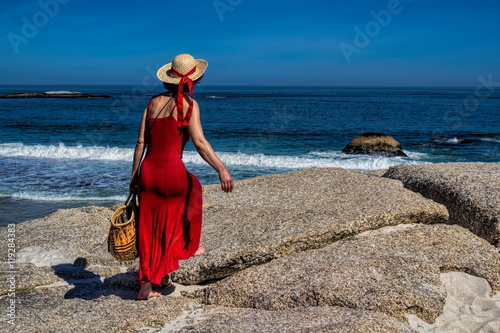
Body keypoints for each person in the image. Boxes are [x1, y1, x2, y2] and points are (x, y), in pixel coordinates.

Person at [129, 54, 233, 300]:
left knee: (148, 228)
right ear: (194, 79)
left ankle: (145, 287)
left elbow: (141, 142)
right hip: (172, 172)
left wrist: (134, 177)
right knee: (192, 193)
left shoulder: (151, 103)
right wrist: (221, 168)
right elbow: (199, 142)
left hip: (148, 171)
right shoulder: (190, 105)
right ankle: (185, 246)